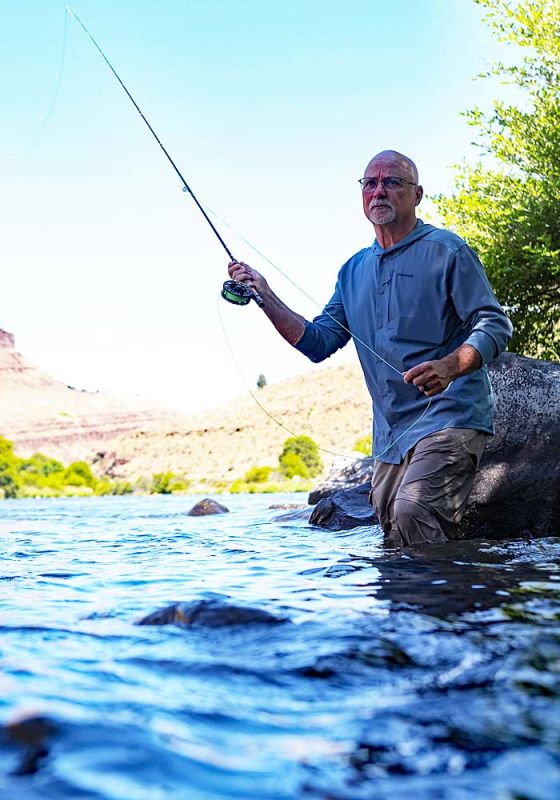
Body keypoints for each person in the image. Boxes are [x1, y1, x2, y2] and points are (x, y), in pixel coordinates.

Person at [228, 150, 513, 546]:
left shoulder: (448, 251)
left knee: (413, 510)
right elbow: (317, 342)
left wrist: (449, 366)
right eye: (370, 183)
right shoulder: (352, 271)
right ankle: (429, 604)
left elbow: (494, 323)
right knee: (392, 531)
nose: (379, 191)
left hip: (452, 416)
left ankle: (436, 606)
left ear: (417, 195)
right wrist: (264, 294)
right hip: (391, 437)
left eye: (392, 182)